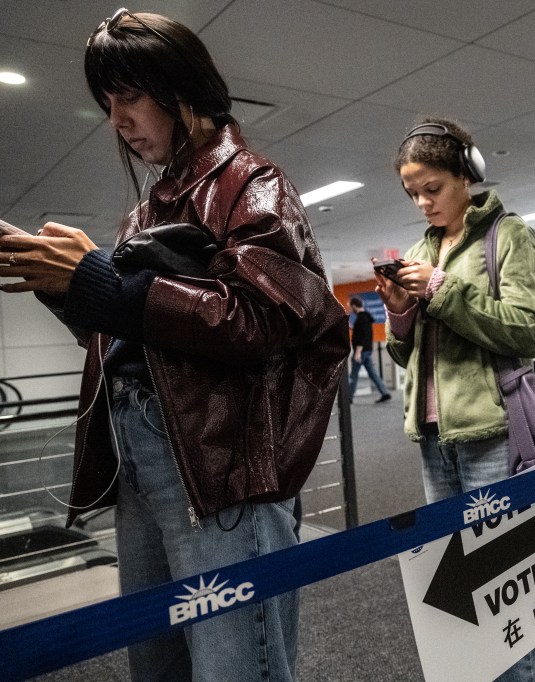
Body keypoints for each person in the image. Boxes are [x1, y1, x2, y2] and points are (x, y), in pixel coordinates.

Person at [0, 10, 348, 680]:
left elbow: (259, 320)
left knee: (234, 662)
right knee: (157, 662)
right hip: (143, 450)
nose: (117, 121)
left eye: (129, 97)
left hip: (219, 459)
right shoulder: (146, 212)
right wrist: (67, 288)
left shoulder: (252, 183)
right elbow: (139, 339)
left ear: (181, 90)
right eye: (108, 104)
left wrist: (101, 280)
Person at [378, 117, 535, 682]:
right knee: (463, 586)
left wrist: (439, 287)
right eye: (412, 194)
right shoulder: (419, 249)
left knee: (513, 582)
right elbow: (406, 356)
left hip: (493, 434)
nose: (423, 203)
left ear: (466, 175)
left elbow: (529, 331)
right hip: (435, 440)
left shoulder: (508, 235)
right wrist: (400, 315)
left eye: (432, 188)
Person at [348, 296, 392, 403]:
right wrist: (351, 327)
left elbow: (362, 337)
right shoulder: (366, 317)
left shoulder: (361, 318)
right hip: (367, 350)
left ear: (354, 305)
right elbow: (362, 332)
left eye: (351, 306)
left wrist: (357, 352)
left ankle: (348, 397)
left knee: (353, 374)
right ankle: (384, 393)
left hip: (361, 351)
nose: (350, 309)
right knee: (373, 373)